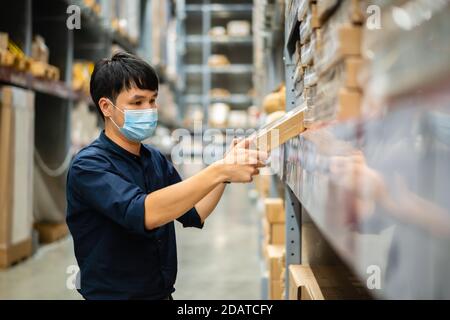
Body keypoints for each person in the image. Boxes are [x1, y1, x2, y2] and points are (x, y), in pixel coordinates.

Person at [65, 52, 266, 300]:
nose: (149, 110)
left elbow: (195, 211)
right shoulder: (89, 166)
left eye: (152, 100)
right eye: (137, 103)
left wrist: (224, 171)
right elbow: (144, 212)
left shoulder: (155, 159)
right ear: (106, 106)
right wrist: (219, 170)